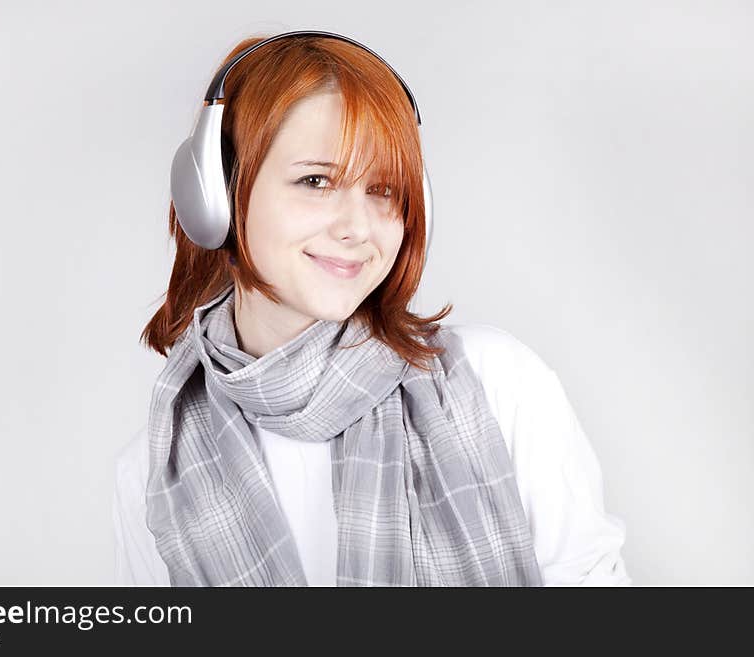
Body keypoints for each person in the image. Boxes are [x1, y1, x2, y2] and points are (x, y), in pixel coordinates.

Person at [113, 32, 632, 586]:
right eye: (316, 181)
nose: (357, 228)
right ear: (214, 195)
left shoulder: (498, 384)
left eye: (383, 190)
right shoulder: (153, 472)